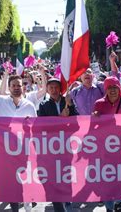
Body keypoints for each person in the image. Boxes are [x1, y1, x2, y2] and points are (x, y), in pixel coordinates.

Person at [0, 66, 37, 212]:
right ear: (9, 88)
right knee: (11, 182)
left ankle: (28, 207)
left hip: (24, 149)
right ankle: (15, 208)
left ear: (24, 87)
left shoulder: (29, 106)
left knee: (25, 179)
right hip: (6, 150)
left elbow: (36, 128)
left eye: (19, 85)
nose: (16, 88)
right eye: (13, 86)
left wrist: (30, 125)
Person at [92, 76, 121, 212]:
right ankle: (109, 207)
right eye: (109, 88)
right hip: (104, 148)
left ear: (119, 88)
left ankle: (118, 203)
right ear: (105, 90)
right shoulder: (99, 104)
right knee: (106, 178)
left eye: (115, 87)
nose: (112, 90)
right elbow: (93, 127)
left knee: (120, 177)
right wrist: (95, 118)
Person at [37, 78, 78, 212]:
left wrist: (70, 107)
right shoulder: (43, 106)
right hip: (50, 150)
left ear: (61, 89)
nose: (54, 90)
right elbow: (42, 126)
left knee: (67, 177)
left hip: (66, 147)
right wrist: (60, 118)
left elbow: (77, 124)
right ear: (47, 90)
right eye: (51, 88)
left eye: (56, 87)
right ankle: (58, 207)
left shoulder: (68, 102)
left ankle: (68, 203)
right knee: (53, 179)